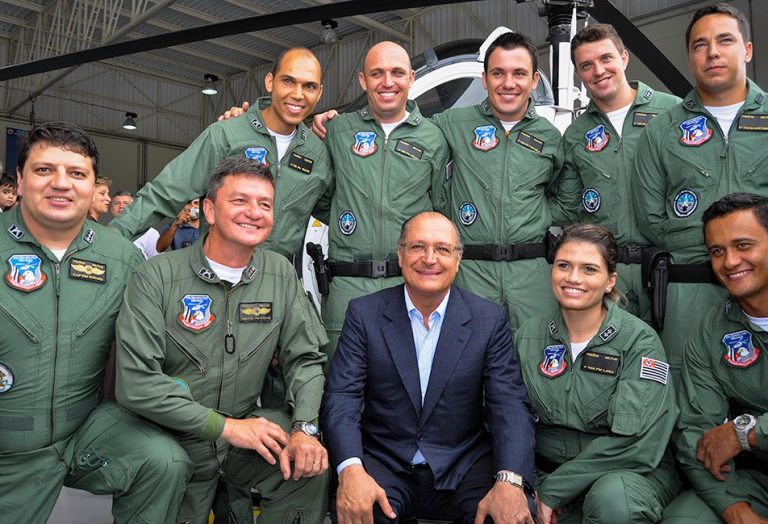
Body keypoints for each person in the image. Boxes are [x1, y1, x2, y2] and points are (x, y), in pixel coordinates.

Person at [313, 33, 574, 333]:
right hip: (472, 273)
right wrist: (326, 121)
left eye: (519, 74)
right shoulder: (449, 125)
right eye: (498, 73)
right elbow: (403, 139)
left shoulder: (551, 137)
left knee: (534, 357)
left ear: (534, 80)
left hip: (531, 275)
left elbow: (566, 198)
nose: (508, 83)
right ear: (484, 79)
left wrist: (532, 219)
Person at [115, 157, 329, 524]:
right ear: (209, 210)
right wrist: (226, 427)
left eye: (264, 204)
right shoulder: (157, 276)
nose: (254, 213)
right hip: (170, 440)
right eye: (240, 201)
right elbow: (136, 384)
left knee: (307, 462)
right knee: (166, 470)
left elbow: (306, 358)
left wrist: (305, 428)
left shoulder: (278, 273)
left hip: (238, 444)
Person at [0, 122, 192, 523]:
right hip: (7, 448)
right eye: (43, 170)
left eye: (76, 173)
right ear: (19, 180)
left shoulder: (120, 258)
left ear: (91, 187)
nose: (61, 184)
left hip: (80, 433)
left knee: (164, 460)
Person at [321, 211, 536, 524]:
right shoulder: (364, 314)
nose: (429, 258)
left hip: (463, 462)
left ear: (458, 259)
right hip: (385, 460)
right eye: (417, 247)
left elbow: (510, 404)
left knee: (507, 514)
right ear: (400, 254)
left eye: (443, 249)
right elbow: (342, 397)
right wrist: (350, 469)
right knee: (363, 513)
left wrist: (510, 480)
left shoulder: (488, 319)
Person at [632, 3, 768, 375]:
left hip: (765, 290)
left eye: (725, 40)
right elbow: (650, 217)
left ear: (747, 50)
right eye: (699, 45)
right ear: (691, 58)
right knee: (687, 395)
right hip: (687, 293)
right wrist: (699, 252)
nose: (712, 52)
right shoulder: (661, 132)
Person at [514, 224, 679, 523]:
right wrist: (520, 484)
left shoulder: (638, 341)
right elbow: (506, 416)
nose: (573, 278)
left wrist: (555, 490)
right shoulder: (528, 336)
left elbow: (640, 444)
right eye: (564, 265)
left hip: (622, 475)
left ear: (609, 280)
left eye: (589, 269)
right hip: (542, 472)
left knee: (614, 503)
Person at [110, 47, 333, 262]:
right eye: (288, 81)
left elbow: (343, 211)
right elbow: (164, 194)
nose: (297, 94)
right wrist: (109, 240)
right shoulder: (226, 135)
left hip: (276, 281)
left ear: (320, 92)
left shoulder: (318, 155)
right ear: (269, 82)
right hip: (216, 276)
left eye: (309, 86)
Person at [319, 41, 450, 356]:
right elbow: (321, 198)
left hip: (408, 287)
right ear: (363, 81)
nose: (387, 82)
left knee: (405, 386)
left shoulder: (433, 138)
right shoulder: (338, 131)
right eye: (377, 74)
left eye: (397, 73)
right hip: (347, 286)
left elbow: (441, 208)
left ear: (411, 78)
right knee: (341, 385)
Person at [559, 24, 680, 321]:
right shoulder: (576, 134)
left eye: (606, 59)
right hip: (608, 274)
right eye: (586, 65)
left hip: (670, 266)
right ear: (578, 74)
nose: (598, 70)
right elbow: (571, 209)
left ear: (624, 58)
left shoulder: (674, 113)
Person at [664, 193, 768, 523]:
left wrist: (747, 432)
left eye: (743, 245)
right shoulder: (712, 329)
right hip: (758, 480)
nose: (730, 262)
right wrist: (736, 512)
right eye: (717, 251)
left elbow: (733, 435)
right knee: (684, 518)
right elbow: (696, 432)